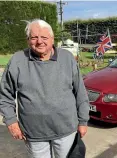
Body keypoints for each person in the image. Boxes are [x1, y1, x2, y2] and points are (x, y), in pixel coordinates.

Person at [0, 19, 90, 158]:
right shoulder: (17, 61)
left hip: (66, 130)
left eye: (44, 37)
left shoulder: (67, 58)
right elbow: (5, 95)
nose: (39, 41)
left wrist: (83, 121)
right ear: (28, 40)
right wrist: (11, 122)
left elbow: (80, 92)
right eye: (34, 37)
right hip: (34, 134)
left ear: (52, 39)